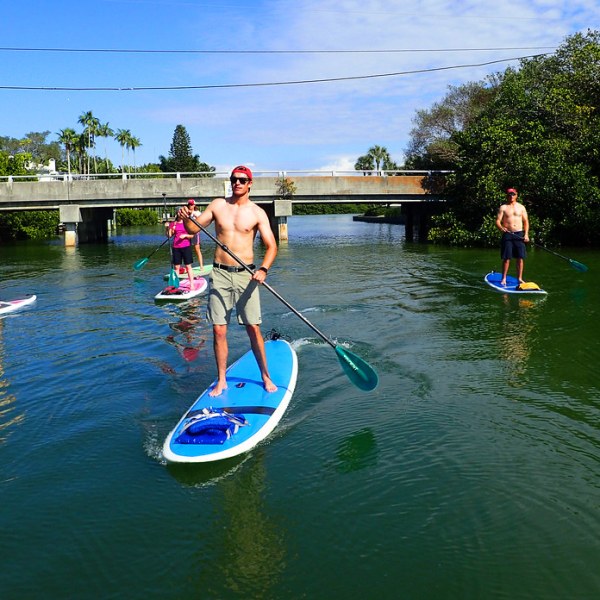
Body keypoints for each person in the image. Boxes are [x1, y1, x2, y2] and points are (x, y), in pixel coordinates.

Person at [179, 165, 278, 397]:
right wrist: (185, 219)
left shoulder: (257, 212)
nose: (237, 183)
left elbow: (272, 246)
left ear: (250, 183)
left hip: (247, 274)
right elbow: (192, 229)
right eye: (234, 179)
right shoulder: (218, 205)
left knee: (253, 328)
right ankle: (222, 380)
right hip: (220, 274)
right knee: (219, 330)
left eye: (242, 180)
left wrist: (263, 269)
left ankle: (265, 376)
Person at [495, 187, 530, 285]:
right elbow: (497, 221)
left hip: (519, 234)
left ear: (516, 195)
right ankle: (504, 278)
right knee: (506, 258)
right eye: (510, 194)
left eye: (513, 194)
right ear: (507, 195)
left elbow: (526, 221)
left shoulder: (521, 207)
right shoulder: (503, 207)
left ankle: (519, 278)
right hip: (508, 235)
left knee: (520, 258)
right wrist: (501, 228)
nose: (511, 196)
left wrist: (526, 234)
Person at [167, 213, 199, 289]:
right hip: (176, 247)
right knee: (177, 267)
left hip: (186, 247)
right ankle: (175, 285)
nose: (180, 214)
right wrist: (167, 228)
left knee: (188, 266)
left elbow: (192, 235)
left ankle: (192, 284)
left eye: (181, 213)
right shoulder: (173, 224)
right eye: (178, 213)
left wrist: (185, 236)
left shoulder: (187, 223)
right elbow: (169, 235)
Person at [186, 198, 204, 269]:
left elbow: (201, 221)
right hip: (187, 232)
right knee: (187, 249)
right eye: (189, 204)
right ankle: (188, 266)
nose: (190, 206)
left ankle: (201, 266)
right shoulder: (185, 212)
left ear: (194, 205)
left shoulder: (197, 212)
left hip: (195, 233)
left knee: (197, 249)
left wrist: (193, 214)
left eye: (192, 204)